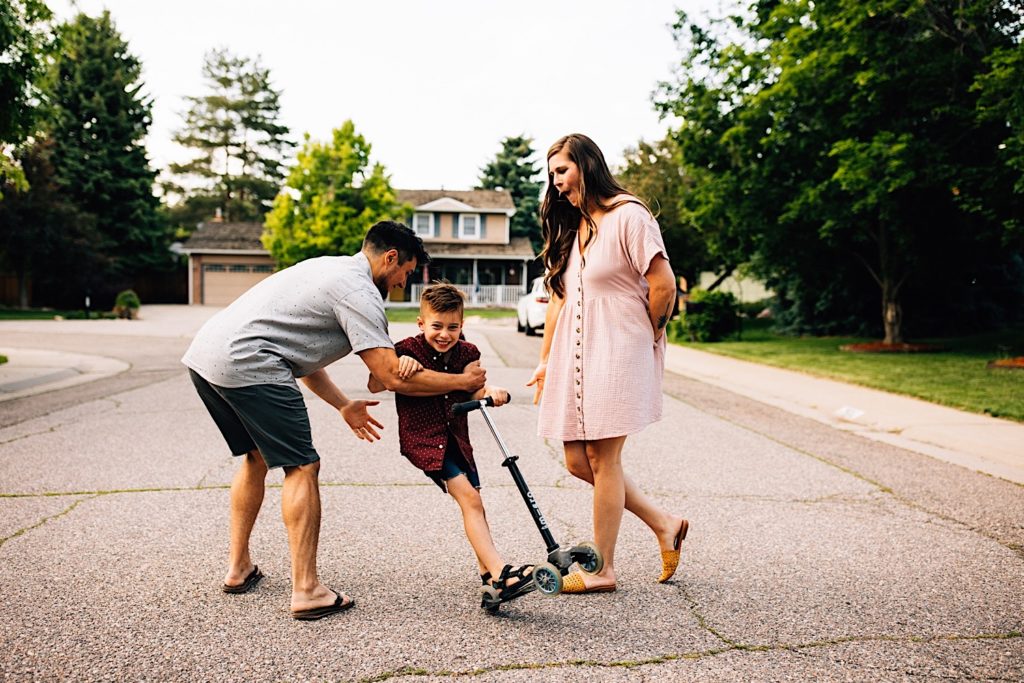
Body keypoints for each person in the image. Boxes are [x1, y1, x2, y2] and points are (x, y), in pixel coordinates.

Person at [182, 221, 487, 620]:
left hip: (206, 357)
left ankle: (239, 567)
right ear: (390, 257)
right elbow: (392, 375)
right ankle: (307, 590)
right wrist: (462, 381)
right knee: (303, 466)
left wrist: (343, 405)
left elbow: (302, 355)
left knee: (255, 457)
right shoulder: (360, 291)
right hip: (248, 361)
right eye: (405, 273)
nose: (401, 284)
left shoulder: (327, 268)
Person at [527, 134, 689, 593]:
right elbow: (559, 301)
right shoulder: (572, 228)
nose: (556, 182)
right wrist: (544, 362)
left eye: (563, 170)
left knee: (603, 456)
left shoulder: (629, 216)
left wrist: (651, 335)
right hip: (576, 356)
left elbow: (663, 284)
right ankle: (665, 523)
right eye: (552, 173)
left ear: (587, 164)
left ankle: (602, 570)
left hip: (618, 352)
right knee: (579, 462)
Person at [367, 283, 534, 604]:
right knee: (470, 500)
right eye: (437, 326)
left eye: (453, 327)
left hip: (457, 438)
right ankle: (502, 572)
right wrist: (403, 365)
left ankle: (489, 577)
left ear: (462, 324)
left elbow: (472, 389)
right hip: (425, 439)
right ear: (421, 323)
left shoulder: (467, 353)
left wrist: (490, 392)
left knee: (476, 503)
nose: (444, 334)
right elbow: (376, 384)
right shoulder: (406, 349)